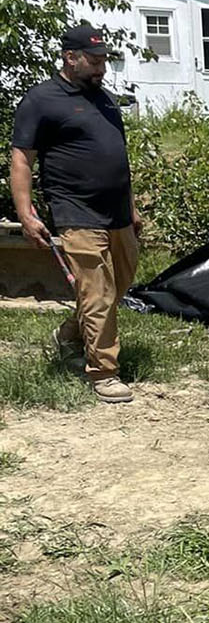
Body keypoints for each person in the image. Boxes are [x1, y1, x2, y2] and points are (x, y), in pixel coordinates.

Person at [9, 24, 141, 404]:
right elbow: (21, 158)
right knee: (97, 292)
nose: (102, 68)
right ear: (71, 58)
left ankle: (69, 335)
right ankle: (103, 371)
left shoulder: (104, 98)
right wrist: (26, 213)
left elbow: (119, 157)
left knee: (117, 286)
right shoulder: (42, 100)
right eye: (95, 60)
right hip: (75, 210)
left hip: (116, 212)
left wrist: (130, 206)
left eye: (104, 60)